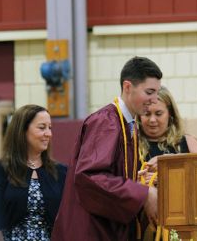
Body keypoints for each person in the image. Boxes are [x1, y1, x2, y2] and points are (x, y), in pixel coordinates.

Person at [51, 56, 163, 241]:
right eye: (149, 92)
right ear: (128, 87)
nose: (154, 100)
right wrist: (144, 194)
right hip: (91, 232)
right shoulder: (107, 122)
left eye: (156, 93)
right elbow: (91, 177)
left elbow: (114, 175)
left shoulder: (129, 124)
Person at [0, 104, 67, 241]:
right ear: (22, 130)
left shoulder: (61, 172)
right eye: (42, 127)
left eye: (50, 128)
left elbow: (68, 218)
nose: (48, 134)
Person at [138, 86, 197, 178]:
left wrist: (171, 169)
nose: (152, 120)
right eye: (147, 114)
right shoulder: (129, 145)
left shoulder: (190, 144)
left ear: (170, 114)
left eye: (158, 114)